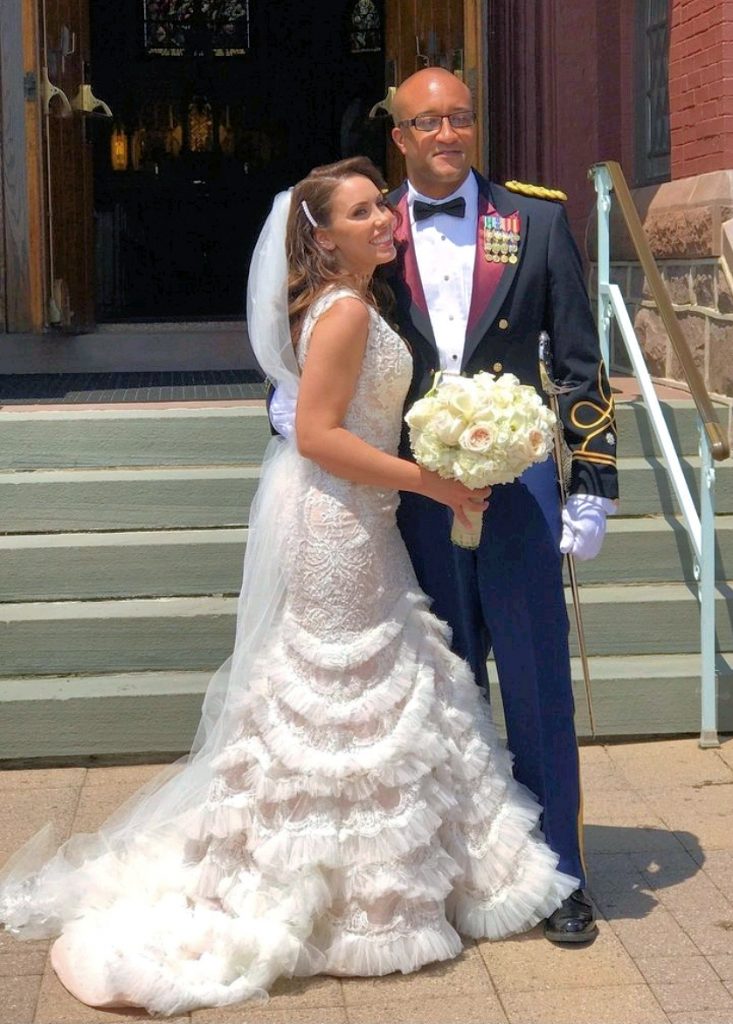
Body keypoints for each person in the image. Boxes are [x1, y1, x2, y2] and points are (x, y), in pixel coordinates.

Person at [0, 157, 578, 1017]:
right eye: (360, 211)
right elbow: (314, 435)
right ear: (321, 235)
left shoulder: (355, 303)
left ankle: (359, 881)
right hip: (338, 526)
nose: (385, 218)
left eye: (381, 203)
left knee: (371, 693)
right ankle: (327, 892)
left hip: (361, 524)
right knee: (340, 701)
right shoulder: (344, 314)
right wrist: (434, 481)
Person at [271, 69, 618, 944]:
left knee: (537, 680)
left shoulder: (533, 218)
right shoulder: (369, 226)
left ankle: (560, 875)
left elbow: (579, 357)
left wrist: (593, 479)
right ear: (400, 135)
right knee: (441, 685)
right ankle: (460, 873)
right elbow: (306, 332)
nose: (446, 134)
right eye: (427, 122)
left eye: (459, 118)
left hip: (519, 484)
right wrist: (276, 407)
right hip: (410, 495)